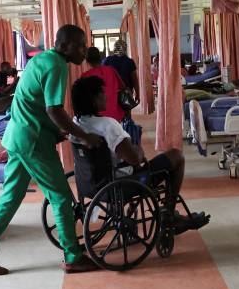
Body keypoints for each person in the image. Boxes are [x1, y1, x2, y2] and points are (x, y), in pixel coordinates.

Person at [0, 25, 103, 276]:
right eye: (80, 45)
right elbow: (53, 109)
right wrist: (84, 136)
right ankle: (73, 256)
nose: (84, 50)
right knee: (61, 197)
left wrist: (58, 132)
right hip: (33, 141)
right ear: (63, 46)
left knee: (11, 196)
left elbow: (34, 104)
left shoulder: (41, 60)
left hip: (18, 136)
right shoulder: (57, 66)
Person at [71, 75, 210, 233]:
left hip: (90, 182)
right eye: (102, 93)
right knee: (176, 156)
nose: (106, 96)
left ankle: (168, 213)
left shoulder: (76, 124)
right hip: (122, 183)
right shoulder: (107, 125)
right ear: (93, 100)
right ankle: (169, 214)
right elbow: (135, 159)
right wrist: (138, 149)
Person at [81, 46, 127, 122]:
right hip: (115, 115)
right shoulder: (111, 70)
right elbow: (123, 87)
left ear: (87, 61)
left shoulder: (85, 76)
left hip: (95, 117)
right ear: (100, 58)